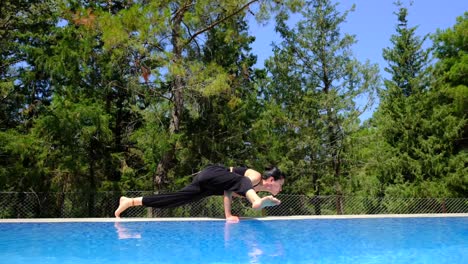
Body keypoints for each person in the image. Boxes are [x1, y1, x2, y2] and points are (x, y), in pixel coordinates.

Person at [114, 164, 285, 222]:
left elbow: (228, 190)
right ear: (271, 181)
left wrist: (229, 214)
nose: (281, 189)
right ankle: (256, 201)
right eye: (280, 184)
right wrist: (228, 215)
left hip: (209, 185)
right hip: (213, 173)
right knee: (242, 182)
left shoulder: (245, 186)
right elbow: (234, 183)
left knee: (176, 199)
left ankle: (130, 201)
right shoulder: (255, 176)